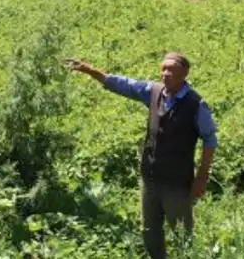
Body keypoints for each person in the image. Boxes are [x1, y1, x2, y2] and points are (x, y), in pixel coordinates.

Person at [65, 52, 217, 259]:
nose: (165, 74)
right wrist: (90, 70)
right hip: (151, 178)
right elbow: (123, 84)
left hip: (177, 183)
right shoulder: (153, 92)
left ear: (184, 74)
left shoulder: (196, 105)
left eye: (171, 70)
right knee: (150, 231)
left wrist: (202, 177)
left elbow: (210, 140)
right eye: (163, 69)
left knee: (182, 235)